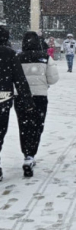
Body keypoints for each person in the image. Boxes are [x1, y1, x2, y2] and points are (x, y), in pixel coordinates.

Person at [14, 31, 59, 177]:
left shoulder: (17, 58)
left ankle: (26, 152)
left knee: (24, 125)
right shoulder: (45, 58)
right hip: (40, 96)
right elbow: (53, 79)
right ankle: (31, 153)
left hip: (21, 97)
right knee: (37, 125)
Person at [0, 26, 35, 182]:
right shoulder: (9, 54)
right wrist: (27, 99)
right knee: (0, 131)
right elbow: (19, 78)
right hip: (3, 96)